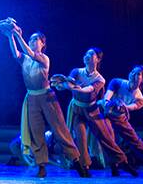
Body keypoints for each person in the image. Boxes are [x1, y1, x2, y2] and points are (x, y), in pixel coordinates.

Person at [4, 24, 87, 178]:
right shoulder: (25, 60)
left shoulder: (44, 58)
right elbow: (16, 53)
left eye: (36, 39)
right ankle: (41, 165)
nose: (32, 41)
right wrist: (11, 36)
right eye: (31, 39)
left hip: (47, 97)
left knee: (60, 130)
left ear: (43, 44)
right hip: (32, 98)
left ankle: (76, 161)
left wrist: (18, 35)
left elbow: (29, 53)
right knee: (36, 132)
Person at [53, 48, 136, 176]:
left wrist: (76, 87)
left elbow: (89, 89)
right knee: (80, 137)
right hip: (76, 109)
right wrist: (62, 84)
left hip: (92, 109)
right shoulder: (76, 71)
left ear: (97, 59)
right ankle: (84, 166)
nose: (87, 56)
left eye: (91, 54)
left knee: (105, 137)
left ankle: (121, 162)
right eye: (86, 54)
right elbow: (69, 83)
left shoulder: (100, 79)